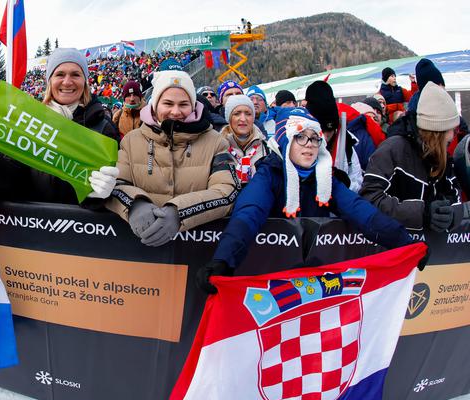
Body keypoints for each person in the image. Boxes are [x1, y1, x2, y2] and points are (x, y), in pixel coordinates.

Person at [196, 108, 415, 293]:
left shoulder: (325, 178)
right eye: (300, 136)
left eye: (314, 138)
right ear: (285, 141)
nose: (309, 144)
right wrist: (224, 260)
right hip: (270, 273)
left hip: (310, 278)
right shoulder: (269, 174)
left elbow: (361, 212)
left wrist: (404, 241)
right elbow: (248, 214)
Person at [107, 69, 240, 247]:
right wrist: (134, 204)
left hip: (195, 249)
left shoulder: (216, 141)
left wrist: (180, 212)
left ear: (193, 106)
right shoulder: (131, 141)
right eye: (168, 103)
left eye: (183, 104)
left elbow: (227, 191)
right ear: (155, 105)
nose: (175, 112)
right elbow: (115, 183)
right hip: (139, 248)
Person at [0, 48, 120, 204]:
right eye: (59, 74)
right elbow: (11, 179)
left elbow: (115, 196)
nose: (67, 81)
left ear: (84, 81)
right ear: (49, 81)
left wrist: (98, 196)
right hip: (32, 223)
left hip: (81, 225)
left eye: (75, 74)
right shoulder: (30, 122)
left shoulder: (102, 127)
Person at [361, 83, 465, 232]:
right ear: (436, 132)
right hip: (395, 247)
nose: (452, 136)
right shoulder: (392, 150)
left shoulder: (443, 156)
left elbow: (455, 193)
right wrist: (421, 214)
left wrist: (450, 214)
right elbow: (369, 198)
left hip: (434, 250)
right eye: (451, 130)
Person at [304, 81, 364, 192]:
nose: (326, 137)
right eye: (322, 131)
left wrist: (347, 184)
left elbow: (359, 184)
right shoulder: (300, 145)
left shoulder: (347, 144)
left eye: (330, 131)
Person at [220, 94, 277, 184]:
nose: (243, 119)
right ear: (229, 118)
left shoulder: (267, 148)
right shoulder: (219, 148)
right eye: (237, 113)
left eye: (248, 114)